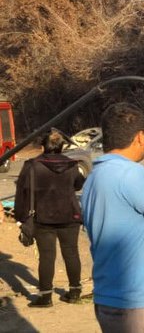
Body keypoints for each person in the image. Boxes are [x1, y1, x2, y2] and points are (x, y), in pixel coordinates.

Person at [81, 103, 144, 332]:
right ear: (140, 137)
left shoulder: (94, 178)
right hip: (139, 303)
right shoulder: (131, 173)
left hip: (108, 297)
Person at [14, 129, 85, 308]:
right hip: (70, 215)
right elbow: (79, 184)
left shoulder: (32, 165)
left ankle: (45, 297)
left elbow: (21, 193)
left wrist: (21, 218)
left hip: (42, 217)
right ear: (62, 146)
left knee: (46, 257)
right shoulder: (72, 165)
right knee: (71, 252)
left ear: (42, 145)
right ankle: (75, 292)